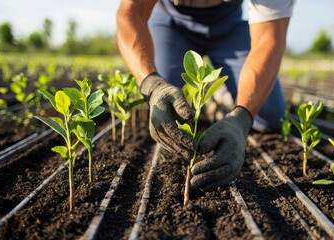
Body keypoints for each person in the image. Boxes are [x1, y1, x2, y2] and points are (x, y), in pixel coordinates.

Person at [116, 0, 295, 190]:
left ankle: (220, 97)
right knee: (165, 102)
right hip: (171, 23)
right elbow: (129, 12)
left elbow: (268, 39)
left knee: (269, 114)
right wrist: (153, 84)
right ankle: (208, 100)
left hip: (229, 26)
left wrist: (241, 119)